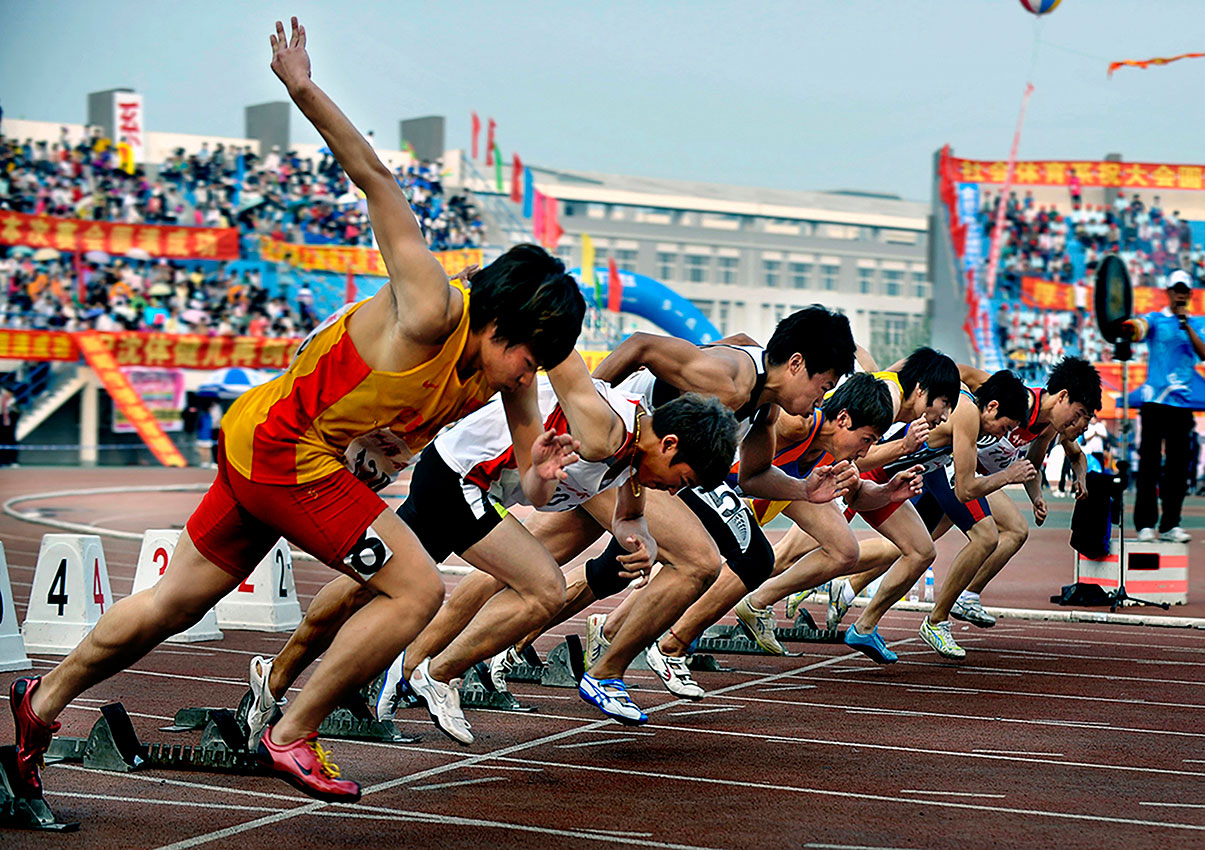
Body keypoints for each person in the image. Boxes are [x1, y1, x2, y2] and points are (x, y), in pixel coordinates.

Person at [9, 17, 585, 804]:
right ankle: (291, 730)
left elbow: (525, 486)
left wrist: (542, 473)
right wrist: (303, 88)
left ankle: (39, 705)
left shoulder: (507, 380)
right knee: (416, 590)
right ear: (499, 325)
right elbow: (377, 181)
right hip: (287, 450)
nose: (531, 374)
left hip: (269, 451)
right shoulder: (431, 308)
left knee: (172, 605)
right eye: (529, 355)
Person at [244, 353, 738, 746]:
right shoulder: (605, 431)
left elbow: (629, 515)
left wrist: (641, 540)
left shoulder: (634, 462)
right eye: (683, 479)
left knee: (367, 587)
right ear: (669, 444)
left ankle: (274, 677)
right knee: (543, 589)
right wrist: (538, 308)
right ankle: (438, 673)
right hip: (461, 478)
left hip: (464, 477)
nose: (675, 491)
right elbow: (564, 356)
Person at [457, 308, 860, 724]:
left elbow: (753, 476)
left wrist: (804, 489)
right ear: (796, 364)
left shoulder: (766, 407)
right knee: (697, 562)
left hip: (638, 471)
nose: (821, 400)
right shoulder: (728, 378)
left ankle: (455, 655)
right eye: (823, 386)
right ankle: (608, 671)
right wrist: (585, 413)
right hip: (618, 456)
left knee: (530, 561)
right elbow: (641, 345)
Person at [1125, 269, 1205, 543]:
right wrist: (1129, 326)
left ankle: (1171, 524)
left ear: (1189, 294)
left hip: (1181, 406)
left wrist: (1186, 326)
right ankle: (1145, 525)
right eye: (1176, 289)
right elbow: (1139, 328)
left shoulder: (1197, 323)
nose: (1180, 294)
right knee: (1148, 464)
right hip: (1154, 403)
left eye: (1184, 290)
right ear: (1168, 292)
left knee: (1178, 468)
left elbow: (1203, 353)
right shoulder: (1156, 320)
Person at [0, 387, 20, 467]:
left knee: (11, 440)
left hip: (10, 422)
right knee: (2, 441)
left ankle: (13, 460)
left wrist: (7, 418)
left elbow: (16, 412)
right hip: (3, 421)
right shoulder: (2, 399)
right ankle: (3, 461)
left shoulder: (12, 401)